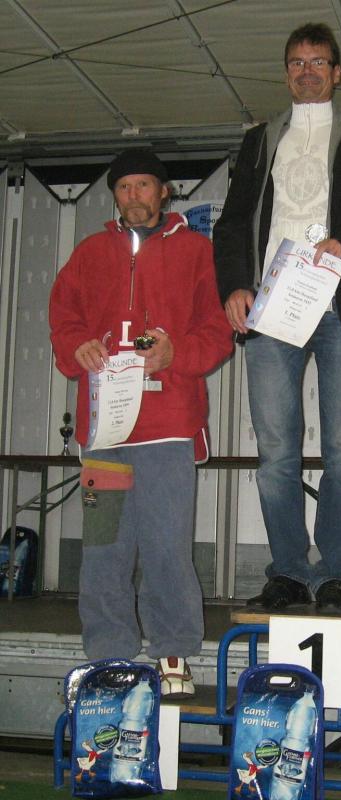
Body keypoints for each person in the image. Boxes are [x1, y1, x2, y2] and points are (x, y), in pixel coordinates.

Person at [213, 23, 341, 613]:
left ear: (336, 72)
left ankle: (334, 575)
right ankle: (288, 571)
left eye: (318, 62)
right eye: (297, 63)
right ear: (286, 73)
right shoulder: (258, 140)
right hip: (270, 307)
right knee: (275, 452)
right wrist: (234, 286)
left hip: (340, 305)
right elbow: (233, 223)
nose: (307, 72)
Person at [49, 148, 234, 697]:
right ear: (115, 195)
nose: (134, 195)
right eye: (124, 186)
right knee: (103, 547)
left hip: (167, 427)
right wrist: (76, 346)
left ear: (164, 191)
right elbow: (63, 317)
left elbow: (217, 330)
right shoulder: (90, 252)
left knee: (166, 544)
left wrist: (178, 353)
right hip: (104, 432)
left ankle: (173, 651)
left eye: (144, 185)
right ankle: (109, 654)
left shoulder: (197, 251)